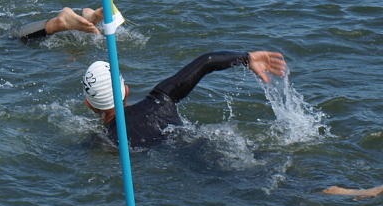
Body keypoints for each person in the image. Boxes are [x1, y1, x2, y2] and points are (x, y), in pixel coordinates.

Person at [82, 50, 288, 148]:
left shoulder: (104, 141)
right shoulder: (161, 99)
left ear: (89, 104)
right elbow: (206, 62)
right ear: (126, 90)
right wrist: (247, 59)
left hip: (184, 165)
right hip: (211, 144)